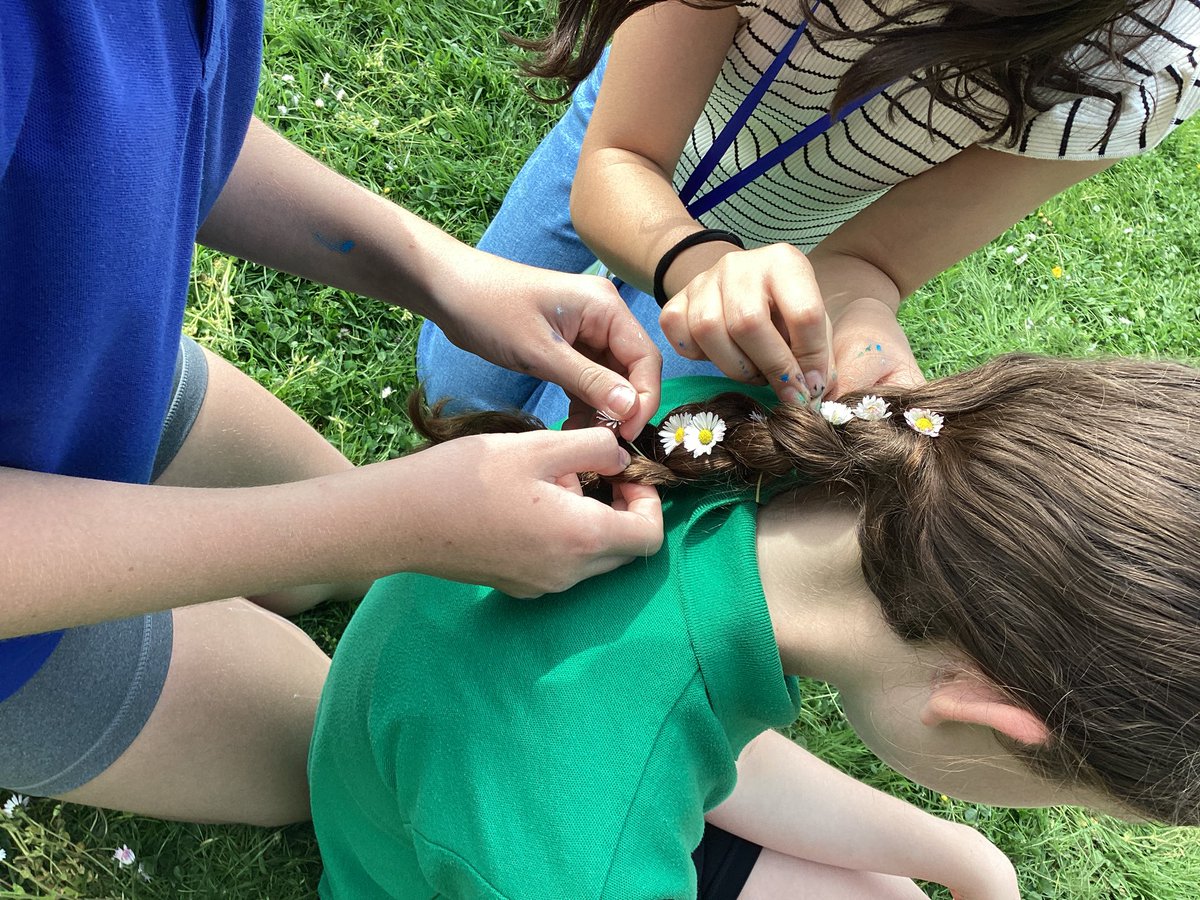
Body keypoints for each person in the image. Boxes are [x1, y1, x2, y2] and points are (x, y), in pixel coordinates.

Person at [0, 1, 665, 826]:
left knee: (354, 569)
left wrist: (443, 274)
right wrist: (384, 521)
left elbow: (161, 118)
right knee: (368, 747)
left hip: (87, 369)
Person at [308, 353, 1200, 898]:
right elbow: (617, 772)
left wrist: (967, 858)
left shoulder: (738, 439)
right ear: (988, 715)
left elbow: (679, 737)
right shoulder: (582, 858)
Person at [417, 0, 1200, 423]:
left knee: (593, 437)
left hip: (782, 257)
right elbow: (619, 161)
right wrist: (706, 268)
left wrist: (862, 324)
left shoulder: (1146, 62)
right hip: (632, 140)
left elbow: (875, 265)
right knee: (459, 383)